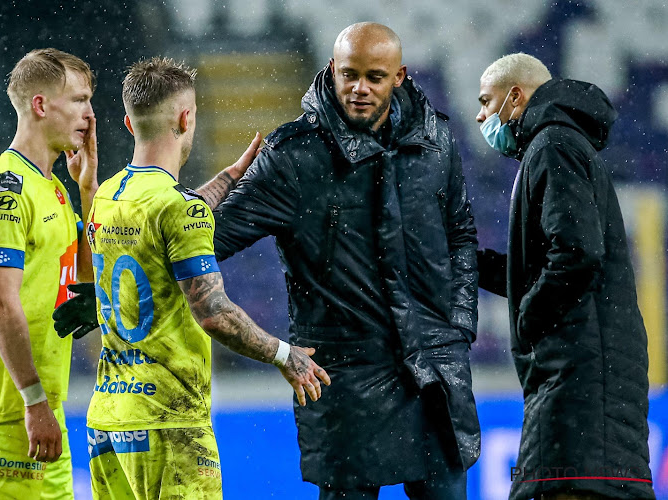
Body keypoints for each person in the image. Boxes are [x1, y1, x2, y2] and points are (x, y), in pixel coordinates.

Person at [212, 23, 479, 499]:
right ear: (332, 69)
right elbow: (204, 241)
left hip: (434, 370)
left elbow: (460, 234)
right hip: (343, 377)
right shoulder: (293, 156)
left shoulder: (436, 139)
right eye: (349, 74)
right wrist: (120, 276)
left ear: (400, 76)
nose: (359, 89)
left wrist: (458, 326)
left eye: (374, 77)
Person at [77, 57, 330, 500]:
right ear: (186, 117)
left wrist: (231, 177)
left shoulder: (109, 196)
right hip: (169, 422)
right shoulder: (178, 209)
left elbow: (172, 214)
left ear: (129, 123)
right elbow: (213, 314)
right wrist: (284, 354)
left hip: (108, 419)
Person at [475, 53, 655, 500]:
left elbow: (577, 253)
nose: (480, 115)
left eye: (485, 101)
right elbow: (539, 267)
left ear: (515, 97)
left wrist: (527, 323)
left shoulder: (553, 144)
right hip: (587, 382)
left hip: (578, 386)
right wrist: (465, 260)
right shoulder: (560, 144)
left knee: (563, 490)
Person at [0, 48, 99, 500]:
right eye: (78, 100)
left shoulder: (54, 188)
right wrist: (33, 400)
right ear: (40, 106)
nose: (90, 114)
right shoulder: (6, 189)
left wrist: (88, 190)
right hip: (8, 415)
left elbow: (82, 290)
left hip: (42, 413)